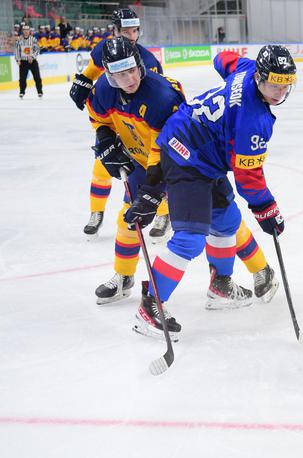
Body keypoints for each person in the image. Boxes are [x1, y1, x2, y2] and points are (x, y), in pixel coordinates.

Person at [126, 45, 296, 340]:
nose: (279, 92)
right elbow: (248, 179)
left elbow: (222, 59)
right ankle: (150, 306)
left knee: (227, 221)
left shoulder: (246, 70)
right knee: (190, 238)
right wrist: (267, 210)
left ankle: (220, 286)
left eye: (285, 85)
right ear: (260, 78)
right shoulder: (254, 120)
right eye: (273, 85)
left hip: (202, 155)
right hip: (186, 158)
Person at [85, 37, 186, 305]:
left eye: (131, 69)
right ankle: (123, 276)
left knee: (217, 219)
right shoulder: (105, 89)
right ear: (107, 73)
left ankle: (244, 272)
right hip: (142, 160)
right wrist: (105, 139)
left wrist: (153, 190)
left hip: (181, 161)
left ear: (140, 64)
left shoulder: (162, 97)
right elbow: (99, 119)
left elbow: (166, 149)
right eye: (119, 73)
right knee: (129, 218)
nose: (128, 78)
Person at [70, 8, 171, 241]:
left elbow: (153, 99)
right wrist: (83, 83)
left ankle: (163, 214)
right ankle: (96, 212)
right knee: (101, 168)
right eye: (125, 31)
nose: (131, 36)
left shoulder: (149, 62)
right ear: (114, 31)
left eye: (134, 30)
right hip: (113, 120)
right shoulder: (104, 49)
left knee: (153, 174)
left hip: (139, 128)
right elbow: (91, 74)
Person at [15, 25, 42, 99]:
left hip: (32, 62)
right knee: (22, 79)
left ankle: (39, 91)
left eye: (27, 30)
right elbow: (17, 51)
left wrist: (32, 57)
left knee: (37, 77)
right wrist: (18, 59)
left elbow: (37, 50)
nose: (26, 31)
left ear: (29, 31)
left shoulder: (33, 39)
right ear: (22, 31)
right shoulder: (19, 40)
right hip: (23, 62)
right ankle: (22, 92)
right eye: (24, 30)